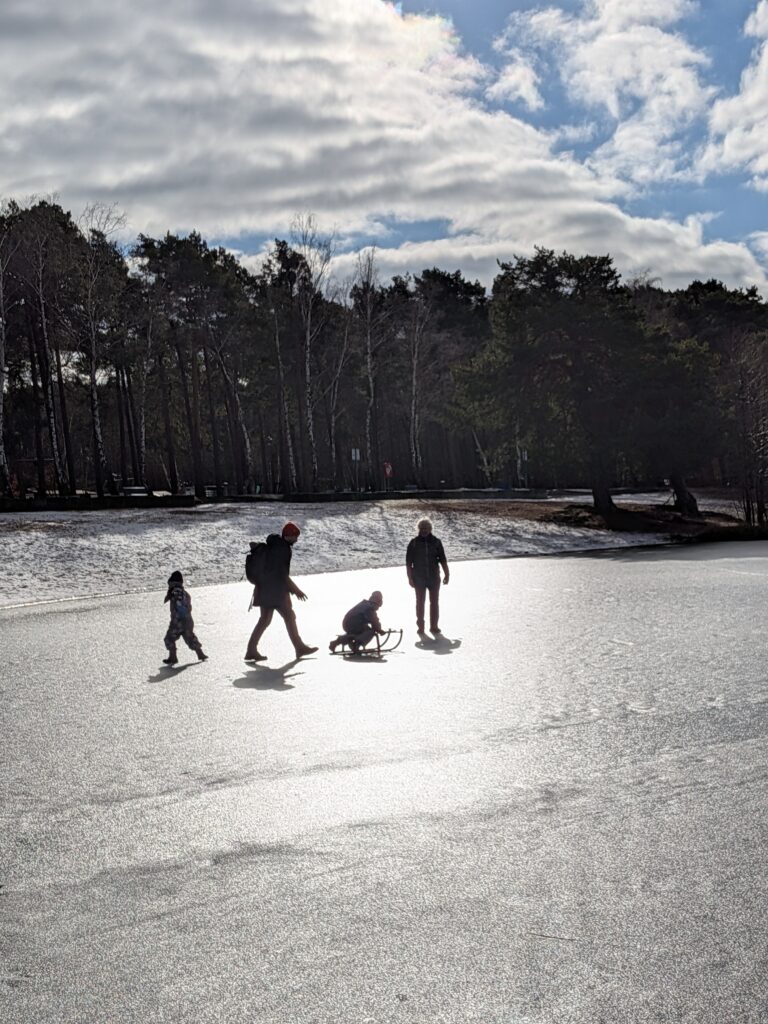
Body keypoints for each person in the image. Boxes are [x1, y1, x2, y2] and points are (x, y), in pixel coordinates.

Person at [244, 522, 318, 661]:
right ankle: (299, 647)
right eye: (295, 536)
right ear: (288, 535)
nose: (296, 539)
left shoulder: (275, 546)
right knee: (289, 617)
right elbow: (281, 574)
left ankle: (251, 650)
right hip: (275, 592)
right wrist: (297, 591)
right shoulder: (282, 549)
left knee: (265, 620)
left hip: (265, 590)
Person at [405, 518, 449, 635]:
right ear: (419, 529)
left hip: (434, 578)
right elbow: (408, 563)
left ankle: (434, 626)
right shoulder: (413, 543)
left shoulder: (436, 542)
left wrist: (447, 574)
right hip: (418, 578)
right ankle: (421, 627)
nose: (424, 530)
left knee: (434, 602)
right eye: (422, 528)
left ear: (430, 529)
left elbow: (443, 559)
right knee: (420, 603)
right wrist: (410, 578)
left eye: (426, 528)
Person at [163, 571, 208, 665]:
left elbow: (180, 605)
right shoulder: (184, 592)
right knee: (190, 637)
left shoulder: (176, 591)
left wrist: (180, 619)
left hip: (178, 621)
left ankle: (173, 657)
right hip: (188, 620)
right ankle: (200, 654)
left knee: (169, 638)